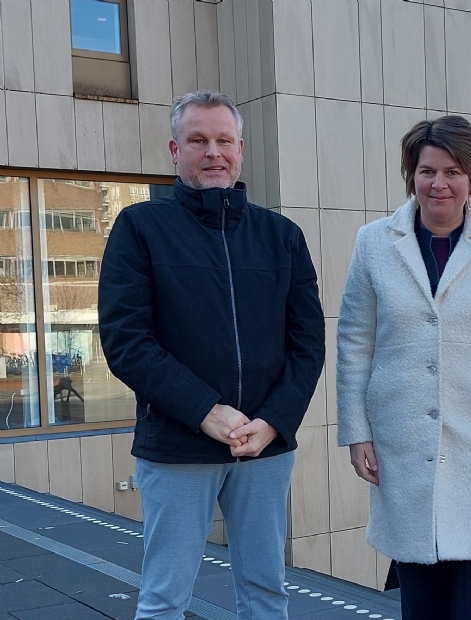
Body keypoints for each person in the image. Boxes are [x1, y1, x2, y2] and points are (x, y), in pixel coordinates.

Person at [98, 90, 325, 620]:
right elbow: (126, 340)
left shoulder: (282, 236)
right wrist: (205, 411)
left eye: (224, 140)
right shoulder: (140, 228)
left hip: (264, 449)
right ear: (175, 150)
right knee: (163, 600)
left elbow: (307, 343)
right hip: (178, 447)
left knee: (266, 595)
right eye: (198, 140)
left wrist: (272, 422)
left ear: (241, 149)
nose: (213, 152)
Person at [336, 115, 471, 620]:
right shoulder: (374, 243)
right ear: (411, 174)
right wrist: (356, 431)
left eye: (453, 171)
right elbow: (354, 342)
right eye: (427, 170)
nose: (439, 183)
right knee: (422, 598)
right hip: (402, 445)